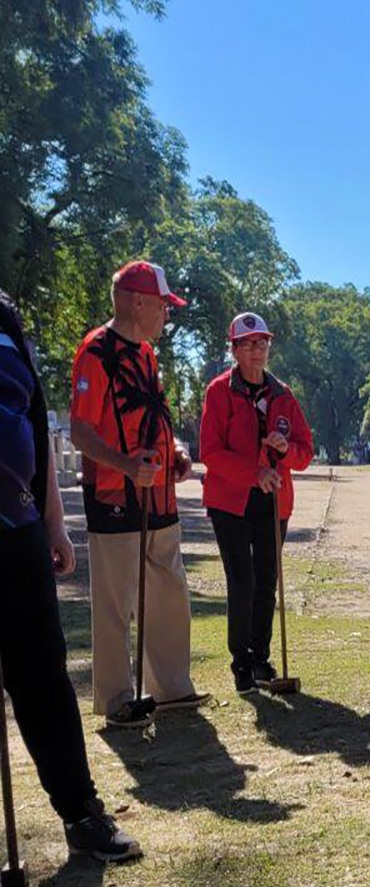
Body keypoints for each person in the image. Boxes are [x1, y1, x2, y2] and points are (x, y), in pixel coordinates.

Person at [0, 288, 142, 862]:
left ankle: (82, 814)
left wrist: (55, 523)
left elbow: (34, 422)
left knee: (42, 675)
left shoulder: (7, 315)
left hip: (19, 527)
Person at [67, 260, 209, 728]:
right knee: (114, 602)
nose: (167, 316)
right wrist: (127, 466)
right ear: (137, 302)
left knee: (170, 592)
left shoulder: (146, 354)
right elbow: (81, 433)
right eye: (164, 307)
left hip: (160, 498)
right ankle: (116, 700)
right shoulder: (96, 352)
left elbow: (155, 416)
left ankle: (170, 689)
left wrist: (179, 452)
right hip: (114, 496)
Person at [199, 312, 314, 692]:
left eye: (262, 342)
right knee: (243, 581)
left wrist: (287, 450)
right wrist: (254, 473)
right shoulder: (218, 391)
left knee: (267, 581)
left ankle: (262, 658)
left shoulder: (283, 394)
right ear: (234, 349)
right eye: (248, 343)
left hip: (273, 501)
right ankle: (241, 663)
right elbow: (211, 453)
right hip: (230, 501)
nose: (257, 350)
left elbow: (305, 451)